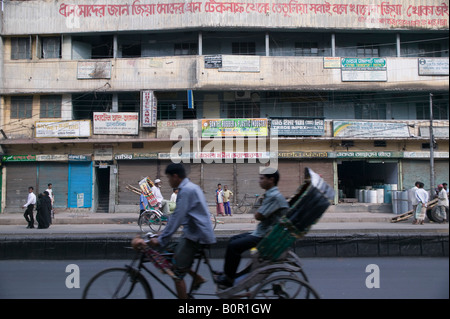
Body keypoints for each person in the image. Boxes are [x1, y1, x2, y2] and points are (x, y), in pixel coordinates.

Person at [132, 163, 216, 299]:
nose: (168, 181)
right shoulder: (190, 187)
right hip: (194, 233)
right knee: (171, 252)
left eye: (169, 178)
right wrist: (162, 235)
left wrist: (161, 239)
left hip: (196, 237)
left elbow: (177, 218)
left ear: (175, 177)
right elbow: (177, 218)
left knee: (176, 273)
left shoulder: (186, 190)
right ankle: (196, 277)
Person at [216, 168, 289, 288]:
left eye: (262, 178)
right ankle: (229, 274)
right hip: (262, 232)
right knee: (233, 240)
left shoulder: (274, 196)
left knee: (234, 247)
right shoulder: (270, 194)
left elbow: (259, 215)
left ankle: (228, 279)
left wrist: (258, 212)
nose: (259, 181)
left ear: (271, 180)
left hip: (267, 236)